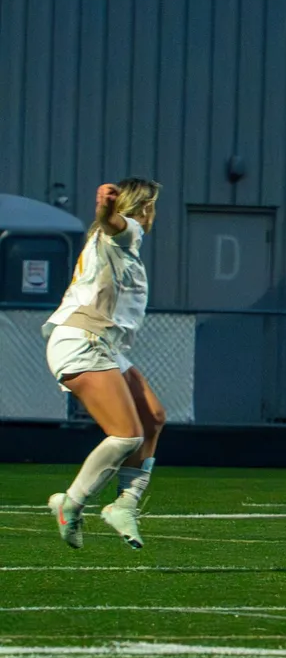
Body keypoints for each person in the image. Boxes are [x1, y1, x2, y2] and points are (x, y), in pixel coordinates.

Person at [45, 178, 166, 550]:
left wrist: (106, 212)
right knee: (127, 434)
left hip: (103, 343)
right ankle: (72, 502)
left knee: (153, 418)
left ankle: (125, 504)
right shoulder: (126, 232)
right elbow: (110, 222)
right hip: (82, 340)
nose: (154, 213)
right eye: (153, 205)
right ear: (144, 208)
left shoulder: (117, 242)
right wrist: (106, 208)